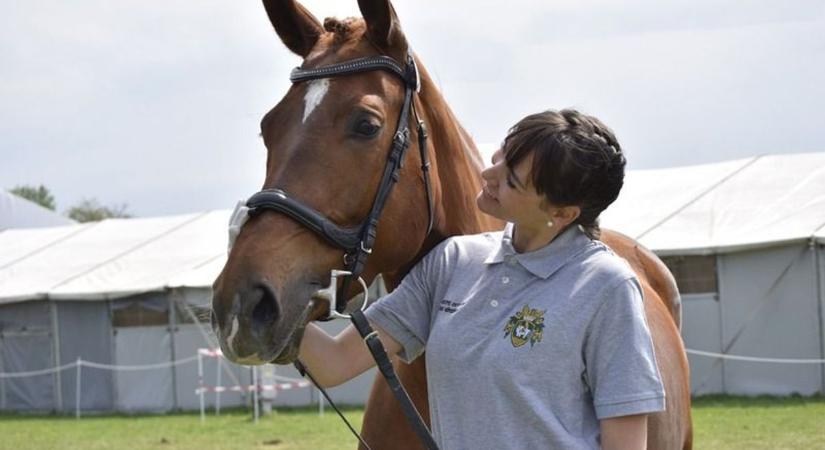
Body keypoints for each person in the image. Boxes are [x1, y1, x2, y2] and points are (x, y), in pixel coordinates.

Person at [298, 109, 665, 450]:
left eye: (511, 180)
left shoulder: (606, 286)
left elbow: (625, 441)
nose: (488, 176)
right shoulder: (452, 262)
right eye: (499, 158)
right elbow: (335, 362)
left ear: (562, 213)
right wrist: (263, 302)